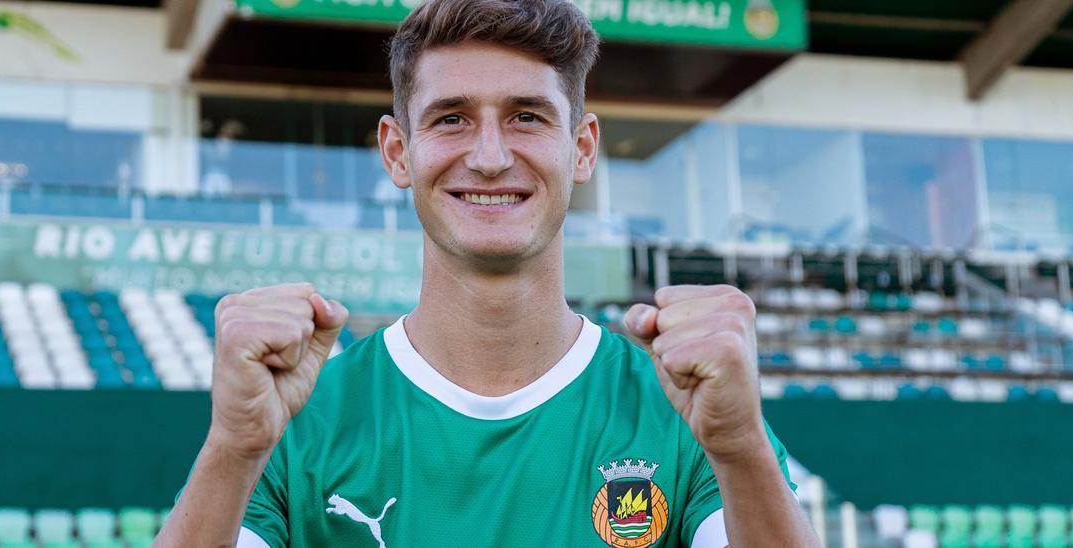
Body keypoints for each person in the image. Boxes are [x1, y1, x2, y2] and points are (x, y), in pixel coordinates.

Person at [156, 0, 819, 545]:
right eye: (451, 119)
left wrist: (738, 448)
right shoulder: (296, 418)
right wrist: (231, 448)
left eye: (527, 117)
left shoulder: (682, 407)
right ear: (397, 152)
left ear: (582, 149)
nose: (492, 156)